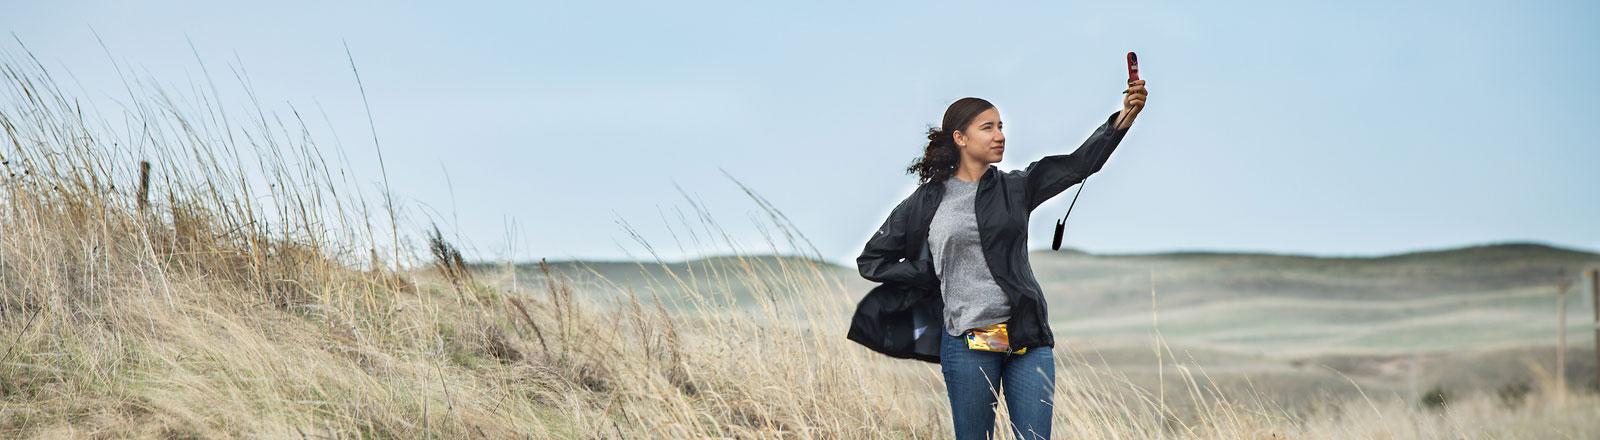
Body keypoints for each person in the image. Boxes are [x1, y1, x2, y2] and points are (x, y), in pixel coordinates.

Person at [851, 79, 1147, 439]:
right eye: (987, 127)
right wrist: (930, 273)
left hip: (1026, 339)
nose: (999, 135)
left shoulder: (1017, 187)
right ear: (960, 138)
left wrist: (1124, 118)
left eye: (1001, 126)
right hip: (967, 343)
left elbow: (1077, 165)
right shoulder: (927, 202)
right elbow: (873, 259)